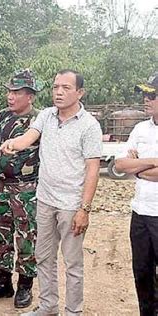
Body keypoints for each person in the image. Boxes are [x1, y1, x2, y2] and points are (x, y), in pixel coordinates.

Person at [1, 69, 102, 316]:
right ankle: (48, 307)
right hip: (45, 200)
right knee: (43, 257)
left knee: (72, 263)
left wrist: (84, 209)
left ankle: (73, 312)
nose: (58, 92)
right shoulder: (46, 116)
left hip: (71, 205)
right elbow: (28, 138)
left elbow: (92, 170)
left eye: (66, 88)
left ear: (80, 92)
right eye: (56, 86)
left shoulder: (89, 126)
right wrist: (12, 144)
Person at [0, 70, 41, 309]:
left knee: (26, 236)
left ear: (30, 96)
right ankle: (2, 281)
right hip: (2, 187)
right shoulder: (3, 117)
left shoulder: (39, 121)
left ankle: (25, 285)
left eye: (16, 92)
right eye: (9, 91)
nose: (10, 96)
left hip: (26, 189)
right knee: (0, 235)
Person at [115, 73, 158, 316]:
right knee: (142, 273)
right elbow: (121, 165)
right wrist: (150, 164)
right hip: (140, 213)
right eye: (144, 94)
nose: (146, 99)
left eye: (152, 95)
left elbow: (131, 166)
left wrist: (137, 166)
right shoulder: (140, 128)